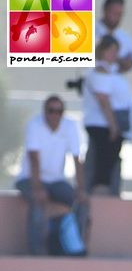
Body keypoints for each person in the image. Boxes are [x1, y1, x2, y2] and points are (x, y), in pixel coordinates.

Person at [15, 94, 87, 256]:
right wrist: (38, 188)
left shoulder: (70, 126)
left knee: (80, 202)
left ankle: (76, 248)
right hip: (29, 178)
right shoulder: (34, 125)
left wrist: (81, 189)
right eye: (51, 110)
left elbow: (77, 159)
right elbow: (34, 158)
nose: (55, 115)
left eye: (59, 111)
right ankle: (37, 252)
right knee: (37, 200)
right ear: (44, 112)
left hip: (56, 180)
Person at [82, 35, 132, 195]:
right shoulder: (100, 71)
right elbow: (103, 100)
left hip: (112, 125)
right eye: (110, 50)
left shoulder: (111, 71)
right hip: (103, 126)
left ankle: (106, 193)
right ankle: (99, 196)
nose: (113, 54)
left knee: (110, 164)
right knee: (102, 167)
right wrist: (113, 126)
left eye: (115, 51)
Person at [95, 0, 132, 74]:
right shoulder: (90, 30)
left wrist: (130, 63)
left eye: (119, 14)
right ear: (105, 10)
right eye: (113, 13)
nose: (116, 17)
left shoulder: (125, 37)